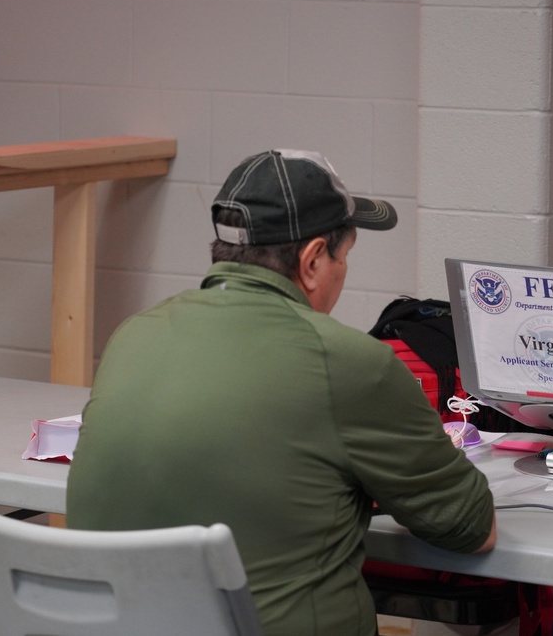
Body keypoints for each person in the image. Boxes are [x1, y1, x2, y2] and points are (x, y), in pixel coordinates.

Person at [66, 149, 497, 636]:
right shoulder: (348, 362)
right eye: (345, 256)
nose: (343, 272)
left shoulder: (133, 335)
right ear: (313, 260)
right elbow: (473, 528)